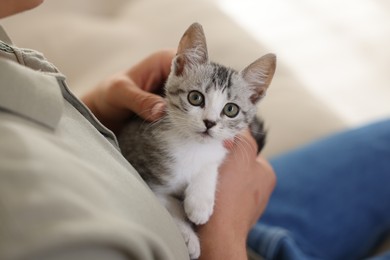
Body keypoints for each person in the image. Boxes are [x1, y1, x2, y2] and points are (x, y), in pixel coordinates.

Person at [0, 1, 275, 260]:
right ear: (180, 69)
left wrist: (90, 111)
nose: (210, 121)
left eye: (229, 111)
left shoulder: (7, 51)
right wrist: (226, 236)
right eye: (197, 99)